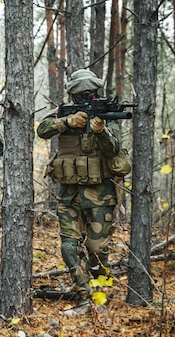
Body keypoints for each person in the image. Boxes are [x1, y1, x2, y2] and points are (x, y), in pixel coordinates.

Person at [36, 69, 122, 298]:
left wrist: (101, 132)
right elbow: (41, 130)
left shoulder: (106, 114)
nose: (85, 98)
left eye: (89, 93)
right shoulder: (64, 112)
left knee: (96, 250)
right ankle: (83, 291)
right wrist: (66, 122)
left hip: (100, 195)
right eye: (80, 94)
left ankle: (101, 290)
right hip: (69, 195)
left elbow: (114, 148)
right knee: (68, 248)